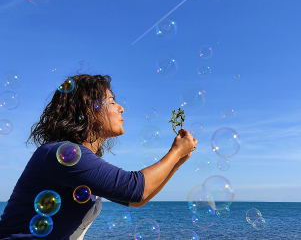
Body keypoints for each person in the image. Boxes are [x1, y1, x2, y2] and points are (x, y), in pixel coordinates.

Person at [0, 74, 197, 240]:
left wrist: (177, 162)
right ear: (88, 110)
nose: (121, 108)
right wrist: (176, 151)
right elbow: (135, 189)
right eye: (111, 101)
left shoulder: (75, 158)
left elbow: (138, 200)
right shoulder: (62, 153)